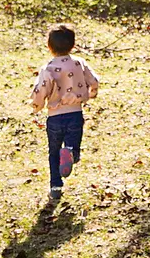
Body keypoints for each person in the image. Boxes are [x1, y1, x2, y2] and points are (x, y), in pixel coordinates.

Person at [29, 22, 99, 200]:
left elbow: (40, 90)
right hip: (75, 114)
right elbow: (94, 80)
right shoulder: (79, 63)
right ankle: (71, 152)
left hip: (54, 117)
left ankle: (56, 187)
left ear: (49, 46)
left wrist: (36, 106)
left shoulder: (48, 68)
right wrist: (91, 94)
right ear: (73, 45)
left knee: (53, 151)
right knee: (72, 142)